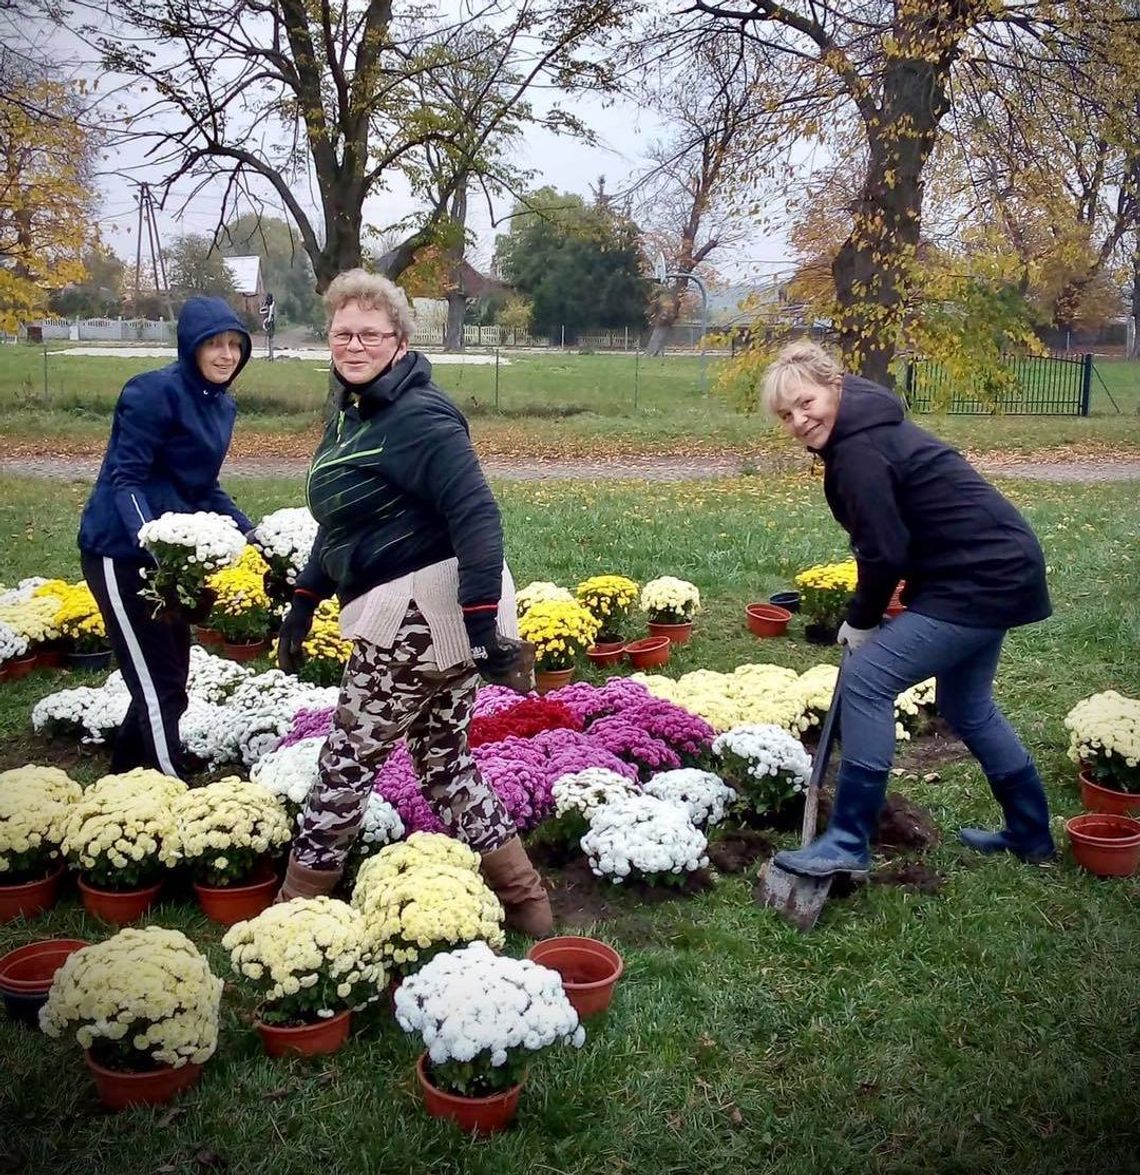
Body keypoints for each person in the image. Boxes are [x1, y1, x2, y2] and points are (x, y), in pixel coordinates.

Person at [273, 268, 552, 937]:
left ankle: (293, 916)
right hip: (428, 617)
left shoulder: (420, 417)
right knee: (444, 763)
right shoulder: (355, 413)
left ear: (400, 341)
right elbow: (343, 516)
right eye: (343, 333)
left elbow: (477, 514)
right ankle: (528, 904)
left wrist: (480, 625)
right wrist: (305, 599)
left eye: (371, 334)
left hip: (422, 619)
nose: (355, 344)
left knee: (345, 765)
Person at [763, 340, 1056, 878]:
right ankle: (1030, 832)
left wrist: (862, 618)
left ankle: (848, 839)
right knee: (966, 706)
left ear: (835, 386)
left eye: (806, 403)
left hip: (980, 577)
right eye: (786, 415)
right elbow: (896, 537)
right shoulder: (865, 430)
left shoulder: (858, 450)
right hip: (991, 567)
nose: (799, 421)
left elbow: (884, 551)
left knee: (867, 681)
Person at [78, 296, 255, 779]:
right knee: (157, 683)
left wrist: (252, 533)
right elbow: (127, 478)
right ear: (191, 347)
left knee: (171, 674)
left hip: (173, 564)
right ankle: (169, 781)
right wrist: (151, 543)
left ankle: (125, 771)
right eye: (214, 344)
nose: (226, 355)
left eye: (235, 345)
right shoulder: (152, 392)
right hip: (119, 552)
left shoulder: (222, 405)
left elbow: (201, 487)